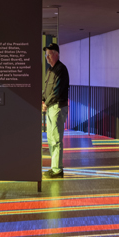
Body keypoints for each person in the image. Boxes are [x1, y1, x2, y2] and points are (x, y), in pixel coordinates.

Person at [42, 43, 70, 178]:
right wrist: (43, 100)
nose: (47, 57)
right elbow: (47, 89)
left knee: (56, 139)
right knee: (51, 138)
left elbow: (57, 92)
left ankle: (58, 170)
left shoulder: (61, 70)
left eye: (49, 54)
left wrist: (45, 104)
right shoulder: (50, 70)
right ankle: (54, 167)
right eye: (46, 55)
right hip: (50, 107)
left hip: (57, 107)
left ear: (56, 54)